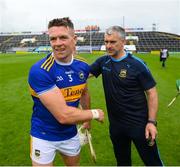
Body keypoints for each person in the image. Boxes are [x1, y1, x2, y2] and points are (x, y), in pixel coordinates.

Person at [28, 17, 104, 166]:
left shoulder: (82, 65)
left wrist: (87, 120)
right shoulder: (40, 70)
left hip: (70, 134)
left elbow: (84, 92)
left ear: (74, 39)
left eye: (63, 37)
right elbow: (63, 115)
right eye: (53, 39)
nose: (57, 43)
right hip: (43, 135)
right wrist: (93, 114)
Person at [90, 26, 163, 166]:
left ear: (123, 42)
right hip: (116, 126)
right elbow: (83, 76)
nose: (108, 46)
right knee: (122, 163)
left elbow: (152, 93)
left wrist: (151, 122)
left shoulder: (137, 65)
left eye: (112, 42)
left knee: (153, 162)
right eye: (106, 42)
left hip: (140, 125)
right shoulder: (103, 62)